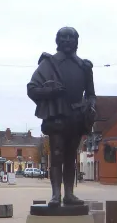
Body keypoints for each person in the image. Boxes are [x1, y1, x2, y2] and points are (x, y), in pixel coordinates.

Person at [26, 27, 97, 206]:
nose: (67, 40)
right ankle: (56, 195)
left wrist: (91, 106)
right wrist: (50, 91)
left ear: (76, 41)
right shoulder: (48, 63)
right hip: (57, 116)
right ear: (57, 41)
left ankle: (69, 195)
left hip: (77, 117)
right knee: (57, 155)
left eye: (70, 37)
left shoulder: (84, 67)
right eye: (63, 37)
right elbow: (31, 89)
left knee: (71, 157)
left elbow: (91, 94)